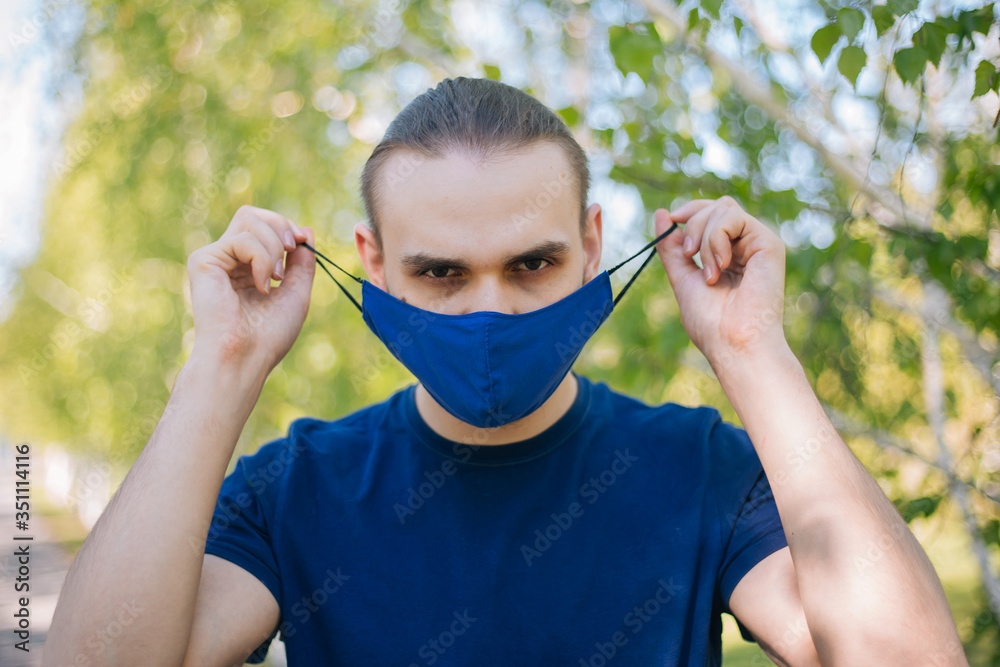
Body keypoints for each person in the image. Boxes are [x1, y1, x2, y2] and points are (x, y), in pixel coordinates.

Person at [44, 77, 966, 666]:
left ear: (592, 246)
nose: (492, 312)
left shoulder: (701, 472)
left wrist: (752, 350)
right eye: (441, 274)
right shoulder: (295, 491)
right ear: (374, 264)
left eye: (532, 264)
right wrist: (222, 362)